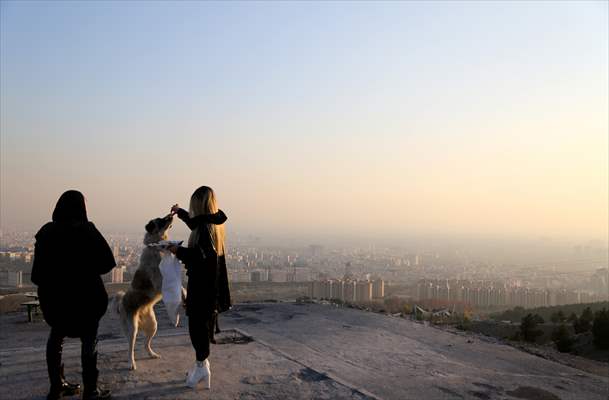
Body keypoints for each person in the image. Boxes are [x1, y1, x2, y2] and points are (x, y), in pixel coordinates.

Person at [31, 190, 115, 400]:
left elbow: (36, 276)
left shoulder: (46, 233)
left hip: (56, 305)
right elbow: (107, 263)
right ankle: (91, 390)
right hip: (86, 303)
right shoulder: (88, 230)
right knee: (89, 339)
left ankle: (56, 387)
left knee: (55, 337)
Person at [167, 186, 230, 390]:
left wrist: (178, 250)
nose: (190, 208)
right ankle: (201, 364)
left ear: (199, 205)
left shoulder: (205, 228)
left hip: (203, 287)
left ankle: (202, 367)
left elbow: (199, 257)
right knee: (201, 327)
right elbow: (195, 223)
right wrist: (179, 213)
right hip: (210, 286)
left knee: (197, 329)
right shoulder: (214, 223)